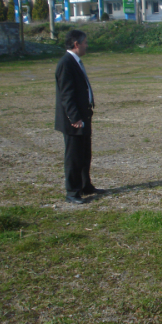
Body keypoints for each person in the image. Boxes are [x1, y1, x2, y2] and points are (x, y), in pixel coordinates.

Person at [55, 30, 104, 204]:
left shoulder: (75, 62)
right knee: (74, 157)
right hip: (74, 121)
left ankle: (85, 185)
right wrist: (74, 118)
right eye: (85, 42)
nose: (87, 45)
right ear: (77, 44)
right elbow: (66, 95)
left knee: (84, 154)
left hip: (84, 117)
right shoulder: (66, 63)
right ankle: (72, 192)